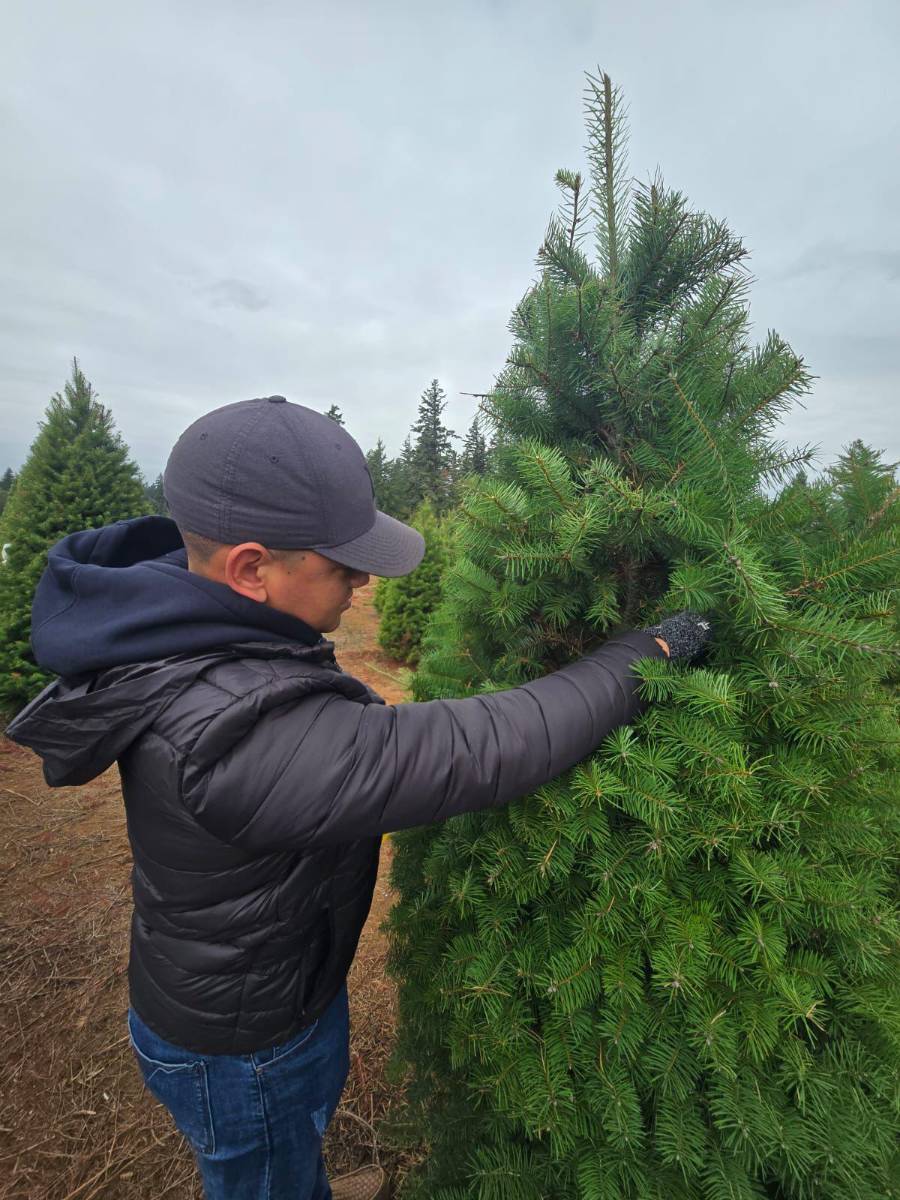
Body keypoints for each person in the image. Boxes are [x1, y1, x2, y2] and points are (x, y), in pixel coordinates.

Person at [5, 396, 711, 1200]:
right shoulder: (233, 737)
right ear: (249, 569)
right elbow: (481, 747)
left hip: (256, 987)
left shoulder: (185, 624)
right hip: (248, 1047)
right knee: (264, 1170)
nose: (366, 580)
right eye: (343, 565)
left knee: (281, 1154)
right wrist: (643, 653)